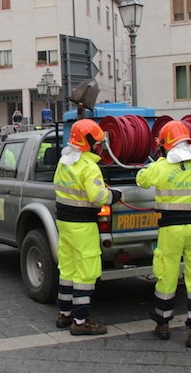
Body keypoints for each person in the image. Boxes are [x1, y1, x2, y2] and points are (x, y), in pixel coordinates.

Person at [136, 120, 191, 348]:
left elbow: (141, 180)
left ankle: (162, 324)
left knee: (166, 273)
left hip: (170, 229)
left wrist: (160, 162)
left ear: (165, 144)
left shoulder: (162, 166)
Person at [53, 119, 121, 335]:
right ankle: (81, 322)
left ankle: (65, 314)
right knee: (86, 272)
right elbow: (98, 196)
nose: (100, 145)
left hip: (65, 223)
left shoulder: (64, 162)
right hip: (83, 225)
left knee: (68, 268)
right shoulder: (89, 167)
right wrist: (114, 195)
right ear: (90, 142)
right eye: (98, 141)